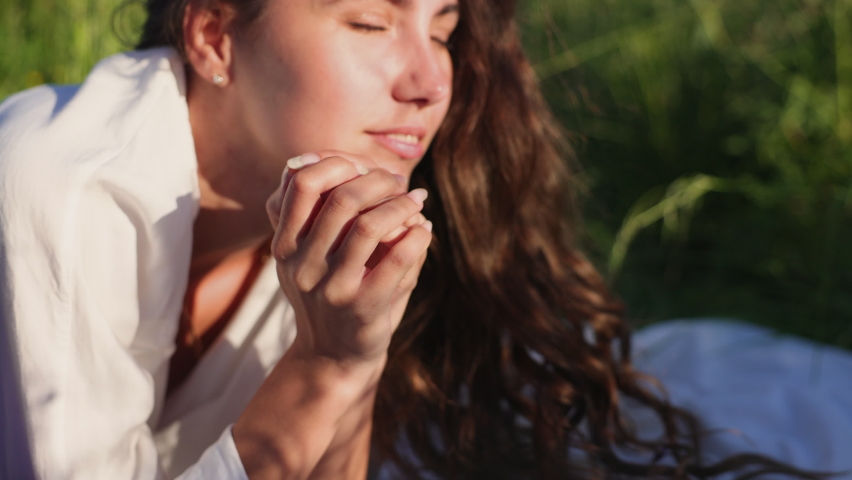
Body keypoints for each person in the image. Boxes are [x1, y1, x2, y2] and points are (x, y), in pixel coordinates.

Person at [0, 0, 850, 478]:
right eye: (370, 24)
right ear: (215, 35)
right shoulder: (56, 186)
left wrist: (355, 356)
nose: (429, 80)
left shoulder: (318, 204)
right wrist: (328, 365)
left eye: (441, 30)